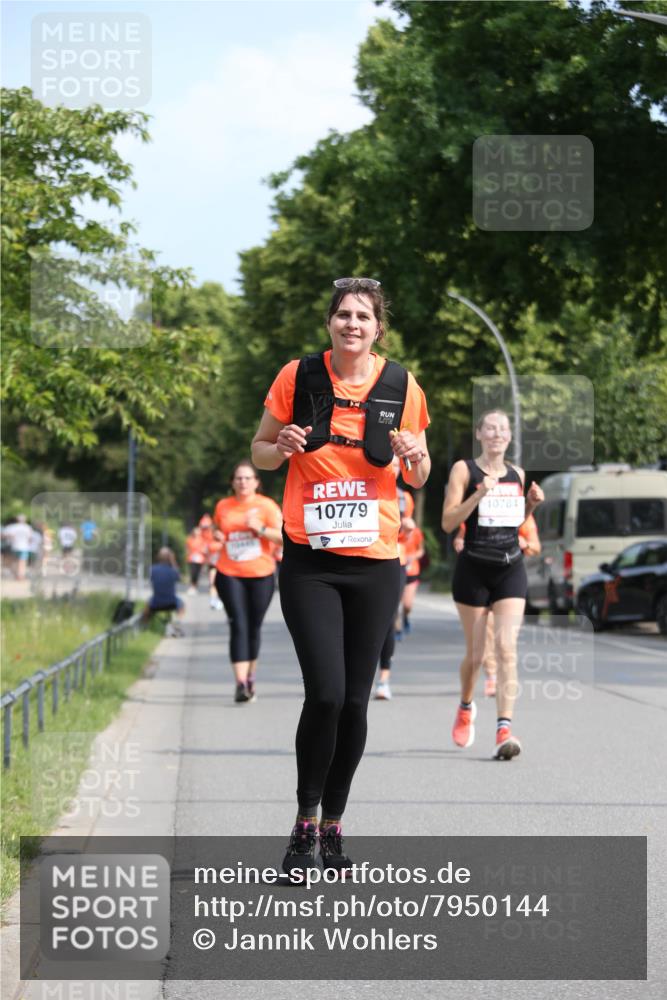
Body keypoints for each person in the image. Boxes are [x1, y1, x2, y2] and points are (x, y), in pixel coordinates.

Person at [252, 276, 430, 875]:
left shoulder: (401, 385)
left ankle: (334, 825)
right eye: (343, 315)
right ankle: (304, 823)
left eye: (363, 316)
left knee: (356, 703)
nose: (352, 323)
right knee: (325, 693)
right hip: (311, 561)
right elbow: (259, 451)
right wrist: (283, 445)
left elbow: (421, 473)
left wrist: (414, 455)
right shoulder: (296, 377)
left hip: (377, 562)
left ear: (378, 328)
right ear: (329, 322)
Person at [442, 409, 544, 760]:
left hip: (510, 567)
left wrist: (529, 506)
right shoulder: (463, 470)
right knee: (476, 655)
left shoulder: (517, 473)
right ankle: (466, 706)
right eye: (491, 428)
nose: (497, 433)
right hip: (473, 569)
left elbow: (514, 523)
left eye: (503, 429)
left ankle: (504, 728)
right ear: (480, 434)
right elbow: (447, 521)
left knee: (506, 648)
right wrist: (478, 495)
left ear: (510, 437)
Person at [213, 461, 283, 703]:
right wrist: (218, 534)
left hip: (261, 573)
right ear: (232, 482)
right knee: (238, 624)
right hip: (229, 571)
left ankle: (250, 677)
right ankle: (240, 684)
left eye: (247, 478)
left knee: (254, 627)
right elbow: (217, 528)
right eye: (238, 478)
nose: (243, 482)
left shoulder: (267, 506)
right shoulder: (223, 506)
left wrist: (261, 529)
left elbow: (285, 538)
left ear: (256, 482)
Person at [453, 514, 541, 697]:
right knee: (489, 629)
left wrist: (526, 544)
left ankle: (502, 678)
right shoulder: (480, 508)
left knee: (506, 640)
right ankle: (491, 675)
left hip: (509, 576)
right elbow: (460, 537)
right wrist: (460, 543)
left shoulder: (521, 512)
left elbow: (536, 546)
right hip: (480, 575)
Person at [375, 456, 416, 700]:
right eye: (387, 464)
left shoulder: (405, 498)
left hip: (394, 560)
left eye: (396, 466)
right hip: (365, 556)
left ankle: (384, 679)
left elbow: (406, 538)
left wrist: (407, 529)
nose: (392, 469)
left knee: (389, 619)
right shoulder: (363, 486)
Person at [142, 547, 185, 634]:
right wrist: (173, 562)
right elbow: (179, 578)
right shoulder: (173, 570)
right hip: (171, 602)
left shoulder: (152, 569)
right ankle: (178, 621)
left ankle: (145, 626)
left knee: (147, 605)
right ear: (169, 558)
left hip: (156, 602)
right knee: (182, 604)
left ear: (158, 557)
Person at [401, 522, 425, 636]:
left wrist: (412, 557)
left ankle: (405, 616)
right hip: (397, 569)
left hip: (412, 571)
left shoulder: (416, 532)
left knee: (407, 605)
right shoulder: (394, 529)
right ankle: (396, 630)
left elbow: (421, 551)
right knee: (395, 604)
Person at [2, 514, 33, 580]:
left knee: (15, 561)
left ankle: (16, 574)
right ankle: (21, 575)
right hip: (24, 547)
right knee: (22, 562)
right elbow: (30, 538)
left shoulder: (12, 527)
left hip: (14, 546)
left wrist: (11, 538)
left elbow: (3, 535)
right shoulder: (28, 527)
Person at [185, 525, 207, 595]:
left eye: (198, 531)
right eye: (196, 531)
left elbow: (205, 548)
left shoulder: (202, 539)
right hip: (192, 558)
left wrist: (204, 551)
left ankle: (195, 587)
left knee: (197, 573)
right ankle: (192, 586)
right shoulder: (190, 539)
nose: (197, 532)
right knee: (192, 572)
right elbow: (187, 547)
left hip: (200, 559)